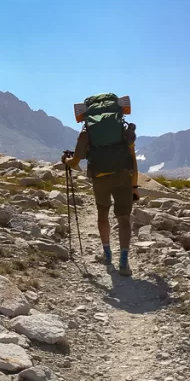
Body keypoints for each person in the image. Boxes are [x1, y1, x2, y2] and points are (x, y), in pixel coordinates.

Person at [62, 93, 139, 276]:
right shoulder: (123, 128)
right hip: (123, 176)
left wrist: (66, 161)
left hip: (100, 178)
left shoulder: (87, 131)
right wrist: (134, 186)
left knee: (103, 214)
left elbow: (75, 162)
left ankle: (107, 255)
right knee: (123, 220)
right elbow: (132, 159)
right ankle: (124, 261)